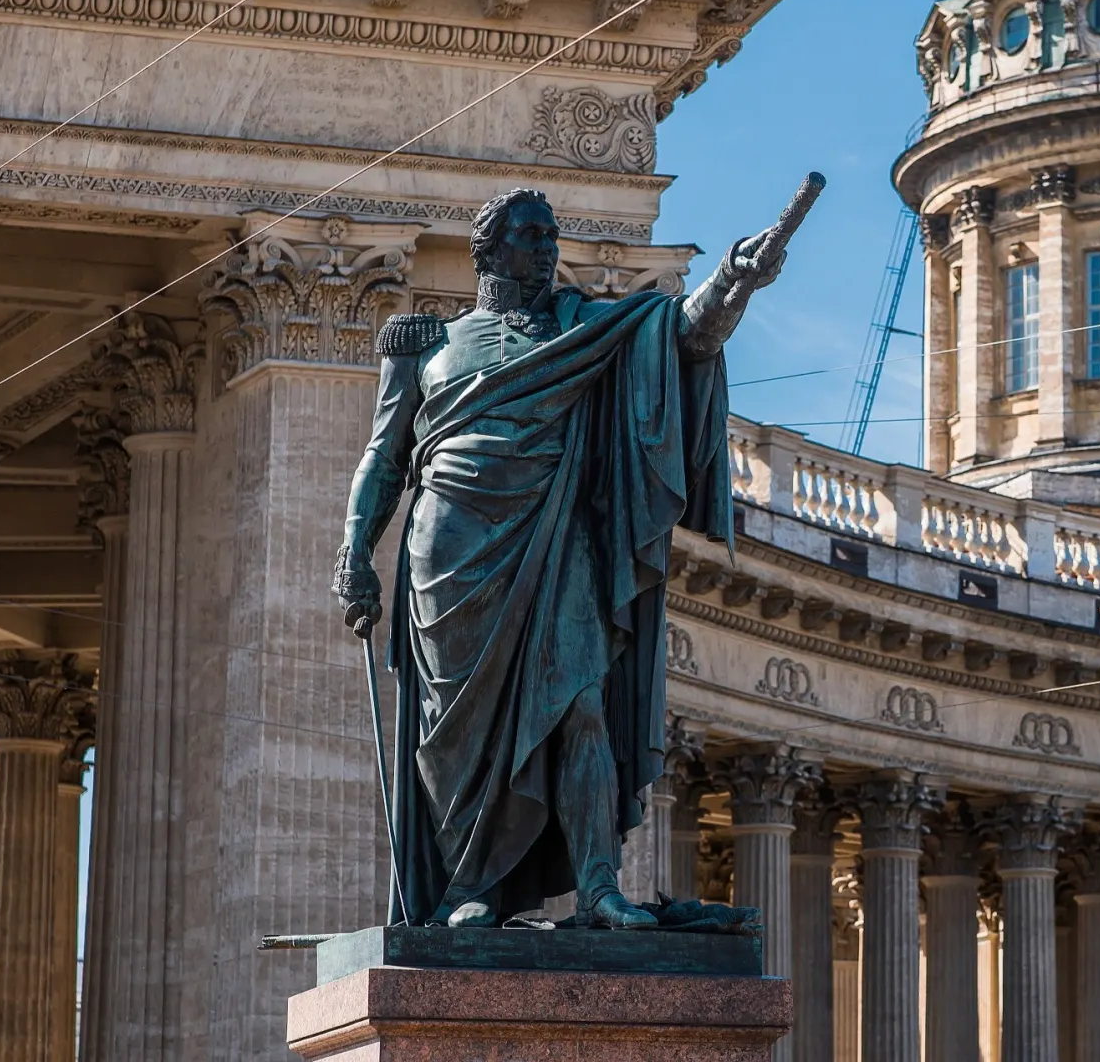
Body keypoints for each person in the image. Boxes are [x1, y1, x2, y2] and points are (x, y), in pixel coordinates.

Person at [331, 188, 783, 928]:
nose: (547, 249)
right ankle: (469, 885)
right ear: (490, 249)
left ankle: (599, 885)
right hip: (449, 551)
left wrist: (735, 278)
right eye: (531, 235)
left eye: (551, 236)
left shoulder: (582, 330)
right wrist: (354, 550)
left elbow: (683, 336)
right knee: (456, 734)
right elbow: (384, 460)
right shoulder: (426, 345)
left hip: (554, 530)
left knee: (582, 709)